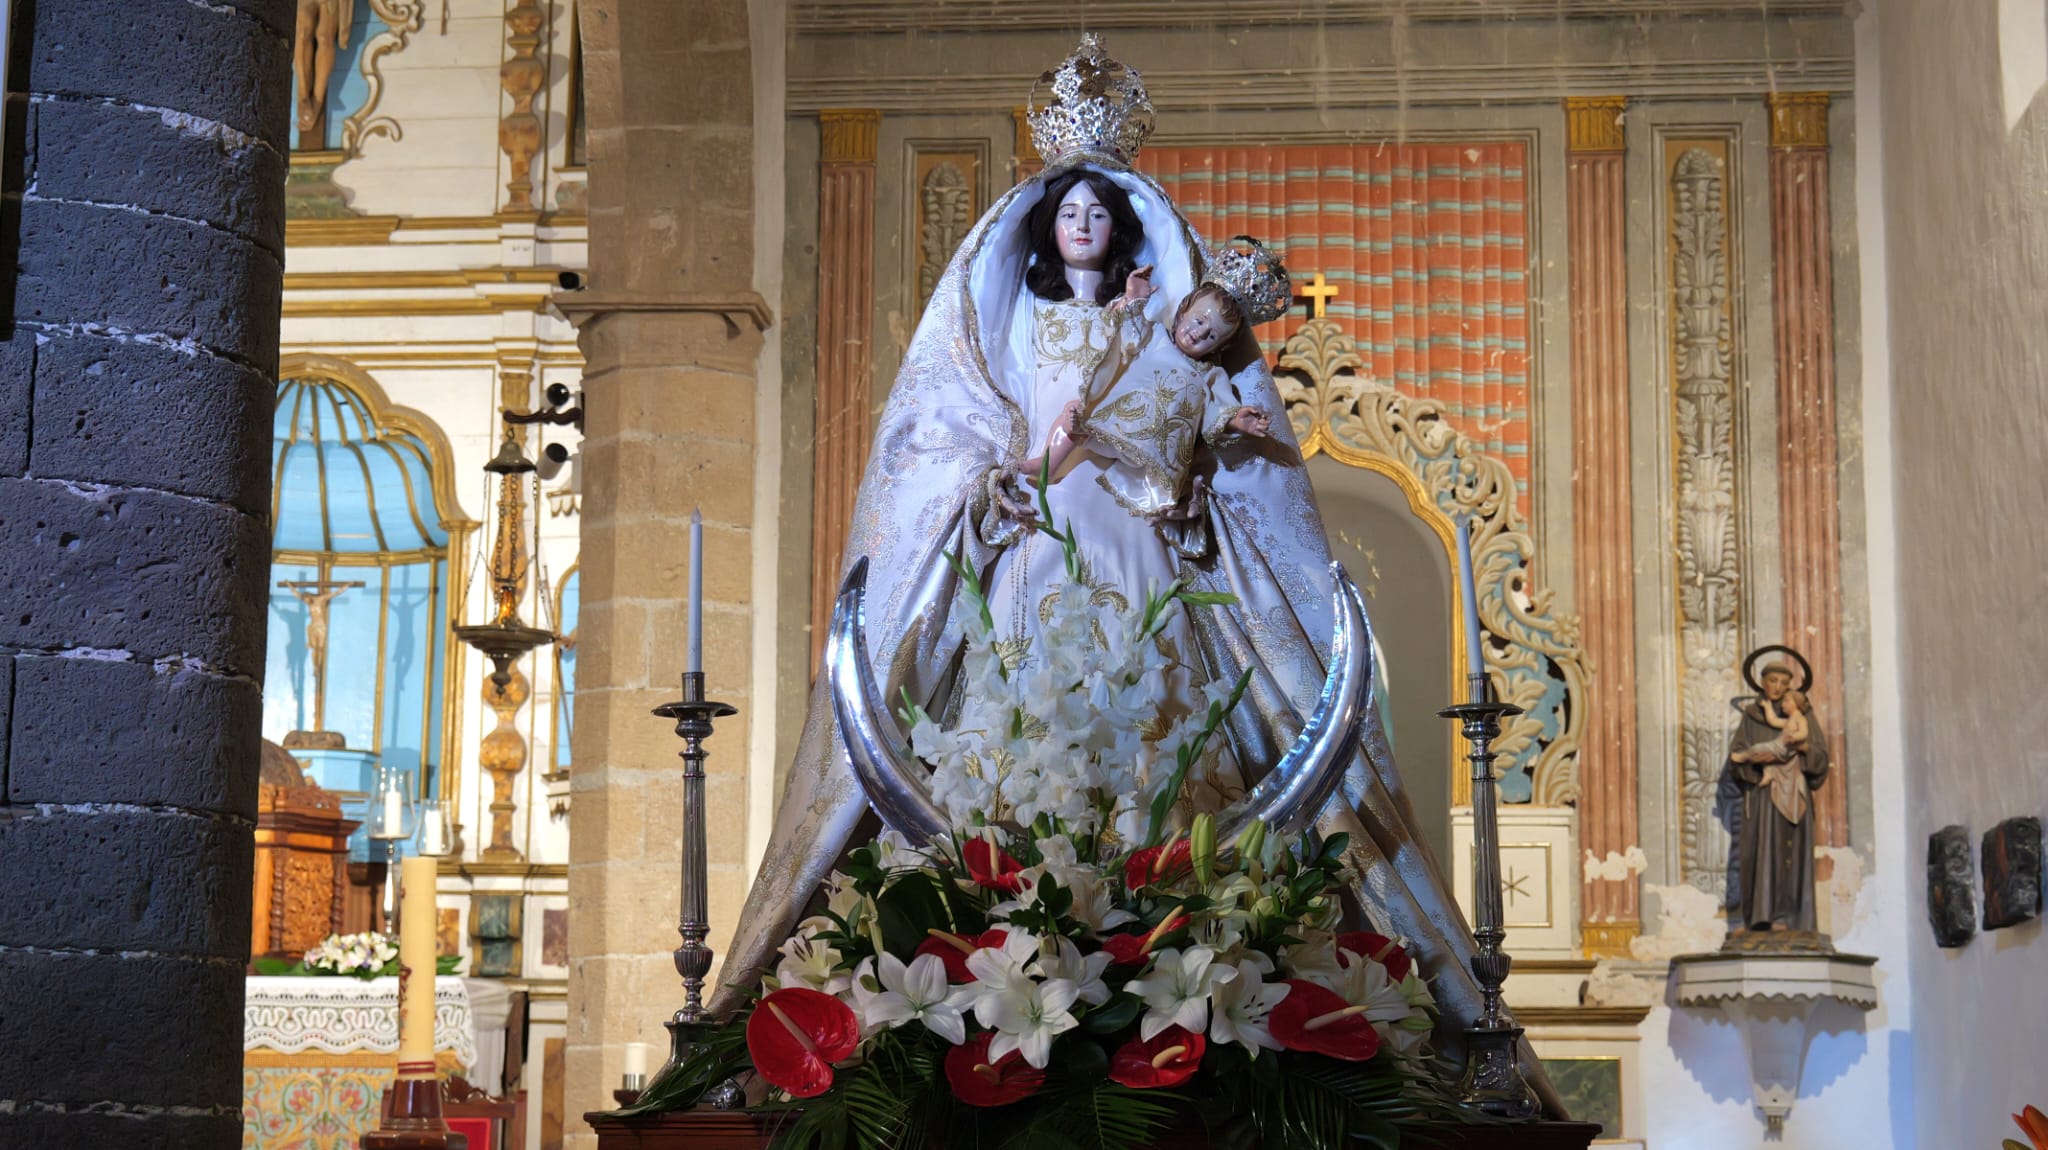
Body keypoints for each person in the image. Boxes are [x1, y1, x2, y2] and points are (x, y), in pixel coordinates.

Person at [714, 35, 1559, 1110]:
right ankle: (1010, 904)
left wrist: (1224, 438)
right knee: (1008, 708)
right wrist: (990, 485)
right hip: (1033, 538)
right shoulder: (1011, 325)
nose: (1081, 227)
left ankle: (1160, 899)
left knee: (1164, 702)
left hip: (1140, 535)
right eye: (1066, 213)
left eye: (1098, 215)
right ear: (1039, 226)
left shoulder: (1153, 326)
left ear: (1123, 232)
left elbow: (1197, 422)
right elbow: (957, 437)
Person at [1727, 662, 1830, 932]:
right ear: (1762, 682)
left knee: (1792, 853)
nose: (1778, 687)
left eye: (1784, 683)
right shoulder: (1752, 716)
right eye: (1773, 681)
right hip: (1763, 798)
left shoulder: (1803, 718)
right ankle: (1761, 917)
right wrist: (1756, 767)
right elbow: (1736, 758)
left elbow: (1820, 758)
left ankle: (1794, 919)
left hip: (1795, 793)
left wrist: (1805, 748)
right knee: (1762, 852)